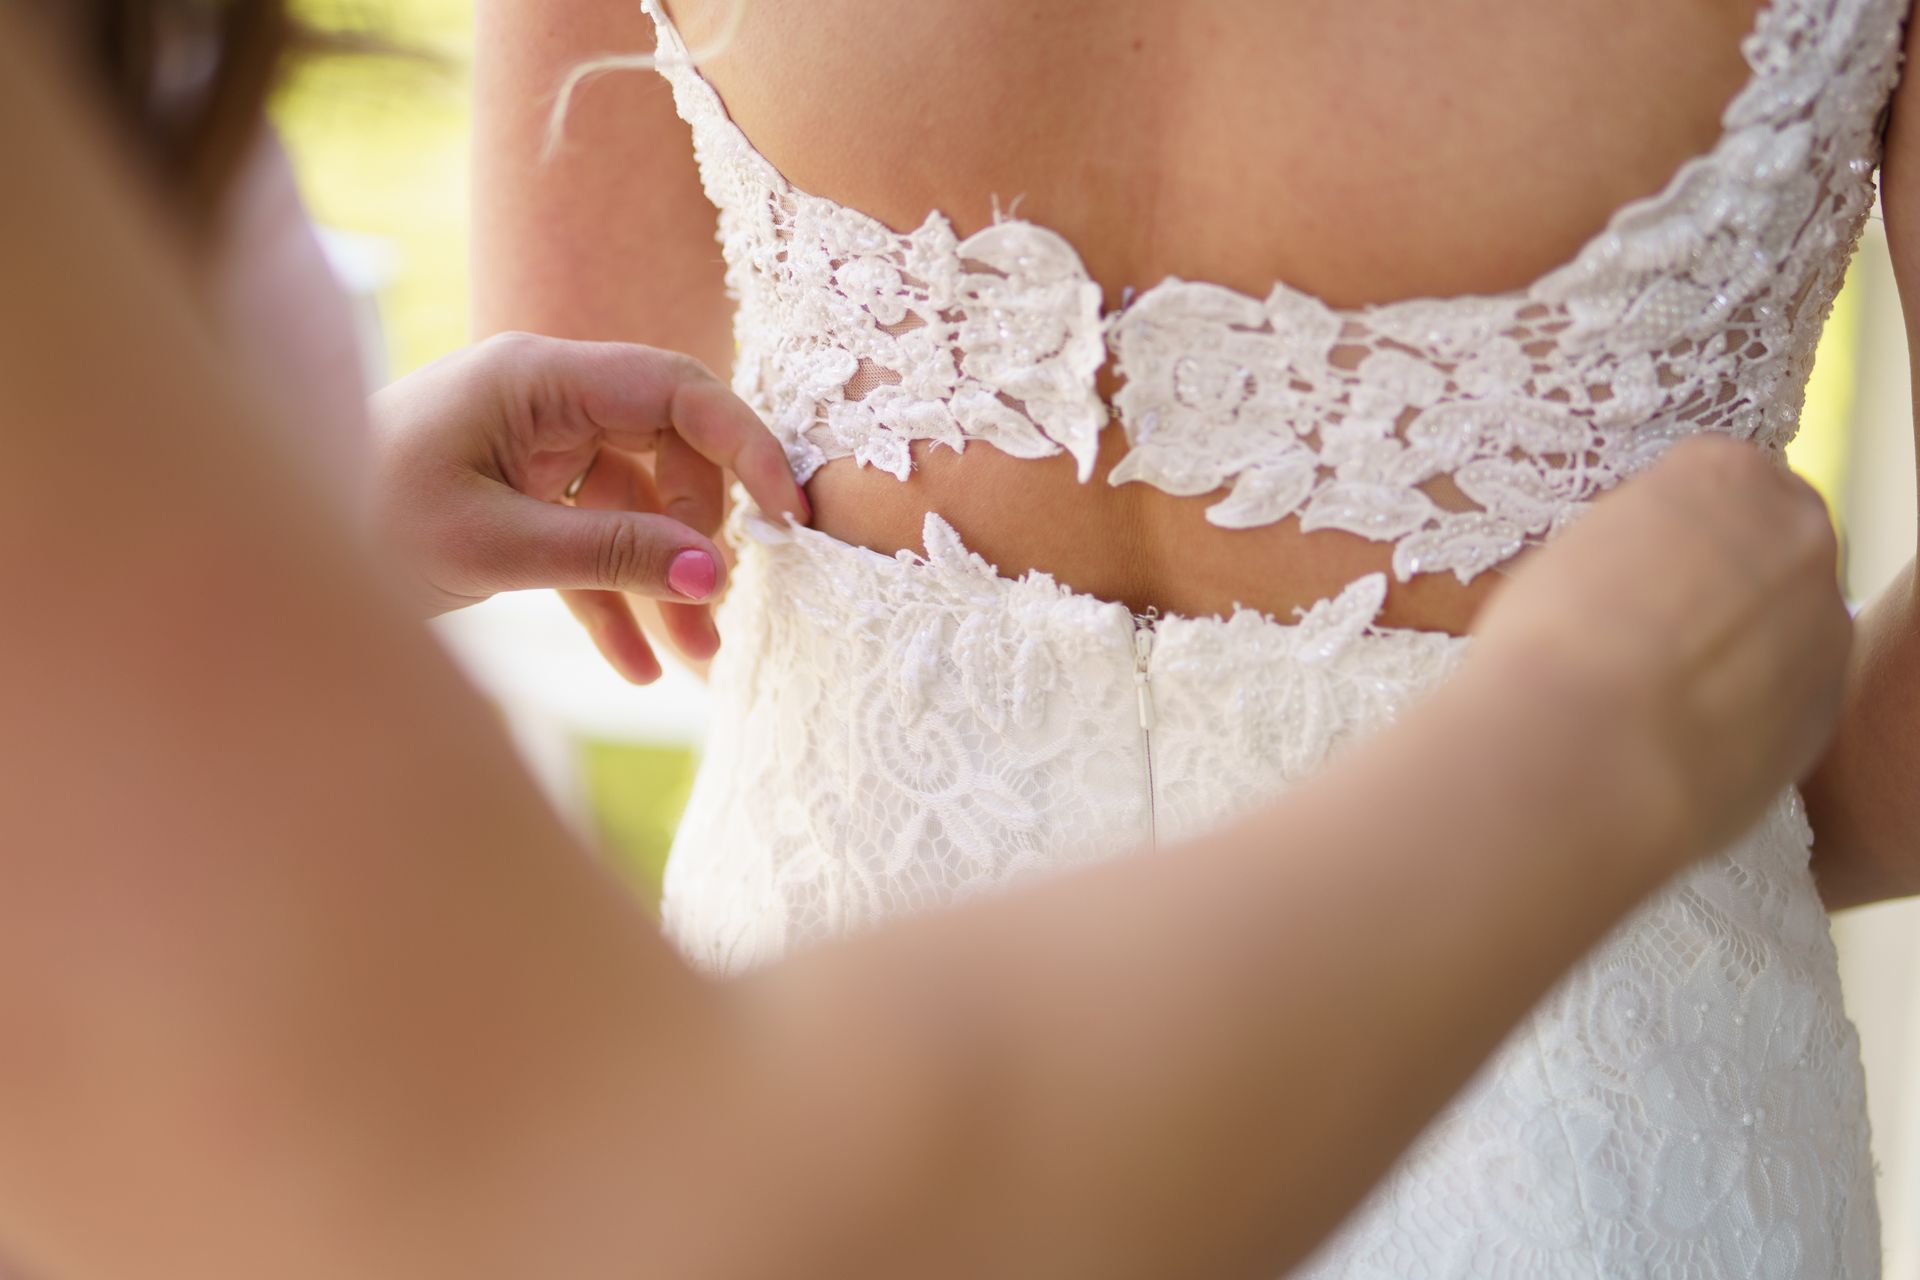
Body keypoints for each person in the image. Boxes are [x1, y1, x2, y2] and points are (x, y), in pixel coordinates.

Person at [0, 2, 1855, 1276]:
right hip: (1582, 1062)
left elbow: (643, 439)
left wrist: (292, 561)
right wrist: (1646, 738)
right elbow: (559, 1189)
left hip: (844, 974)